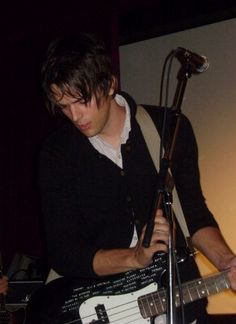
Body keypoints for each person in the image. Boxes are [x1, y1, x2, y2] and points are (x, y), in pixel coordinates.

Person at [38, 33, 236, 323]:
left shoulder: (167, 129)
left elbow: (194, 215)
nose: (74, 115)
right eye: (63, 105)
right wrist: (134, 257)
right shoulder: (57, 154)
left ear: (109, 84)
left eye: (81, 100)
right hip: (101, 308)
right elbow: (65, 253)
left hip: (177, 303)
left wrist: (226, 261)